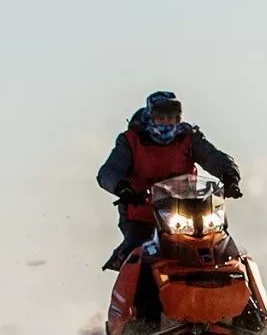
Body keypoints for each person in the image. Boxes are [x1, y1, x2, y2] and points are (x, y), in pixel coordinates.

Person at [96, 91, 242, 271]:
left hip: (191, 215)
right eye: (161, 118)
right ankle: (131, 293)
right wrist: (122, 188)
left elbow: (213, 157)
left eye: (172, 118)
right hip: (143, 216)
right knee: (137, 250)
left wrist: (230, 176)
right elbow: (108, 171)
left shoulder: (189, 138)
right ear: (150, 118)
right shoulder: (131, 140)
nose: (167, 123)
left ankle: (250, 293)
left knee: (225, 249)